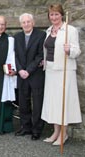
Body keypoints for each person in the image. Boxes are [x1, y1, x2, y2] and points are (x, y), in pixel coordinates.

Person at [41, 4, 82, 145]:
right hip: (51, 70)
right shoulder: (48, 30)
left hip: (64, 71)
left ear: (62, 15)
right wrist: (44, 61)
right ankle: (55, 132)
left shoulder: (70, 30)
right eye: (51, 14)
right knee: (53, 102)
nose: (54, 17)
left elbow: (77, 51)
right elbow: (48, 49)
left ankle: (63, 134)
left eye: (56, 14)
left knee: (62, 102)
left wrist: (69, 49)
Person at [14, 13, 46, 140]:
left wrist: (28, 70)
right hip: (22, 75)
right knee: (23, 102)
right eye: (24, 22)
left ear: (33, 22)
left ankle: (36, 130)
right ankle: (25, 127)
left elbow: (40, 55)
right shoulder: (17, 37)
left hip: (35, 74)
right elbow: (14, 55)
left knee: (37, 103)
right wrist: (20, 70)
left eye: (28, 21)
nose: (26, 24)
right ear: (21, 24)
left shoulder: (41, 35)